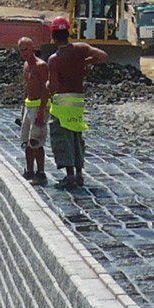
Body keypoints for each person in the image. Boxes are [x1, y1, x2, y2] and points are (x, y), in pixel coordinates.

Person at [44, 15, 106, 187]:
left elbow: (54, 85)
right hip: (78, 102)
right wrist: (85, 63)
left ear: (53, 36)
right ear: (69, 32)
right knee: (76, 136)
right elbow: (102, 55)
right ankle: (79, 174)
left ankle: (69, 176)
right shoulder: (80, 48)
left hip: (63, 104)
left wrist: (47, 84)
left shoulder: (54, 59)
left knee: (63, 138)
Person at [16, 36, 51, 184]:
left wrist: (41, 111)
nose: (24, 52)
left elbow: (46, 89)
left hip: (38, 107)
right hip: (29, 106)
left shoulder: (41, 66)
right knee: (26, 141)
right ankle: (29, 171)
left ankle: (41, 173)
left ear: (32, 48)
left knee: (36, 141)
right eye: (22, 50)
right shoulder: (26, 65)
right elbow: (28, 88)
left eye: (26, 49)